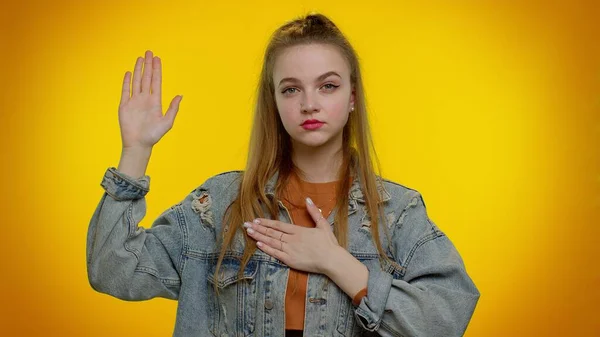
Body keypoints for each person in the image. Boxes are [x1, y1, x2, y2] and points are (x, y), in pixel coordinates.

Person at [87, 13, 480, 337]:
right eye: (291, 90)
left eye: (327, 86)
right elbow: (113, 271)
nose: (310, 104)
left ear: (352, 98)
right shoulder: (220, 205)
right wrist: (136, 151)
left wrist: (337, 263)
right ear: (273, 101)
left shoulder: (395, 213)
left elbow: (447, 319)